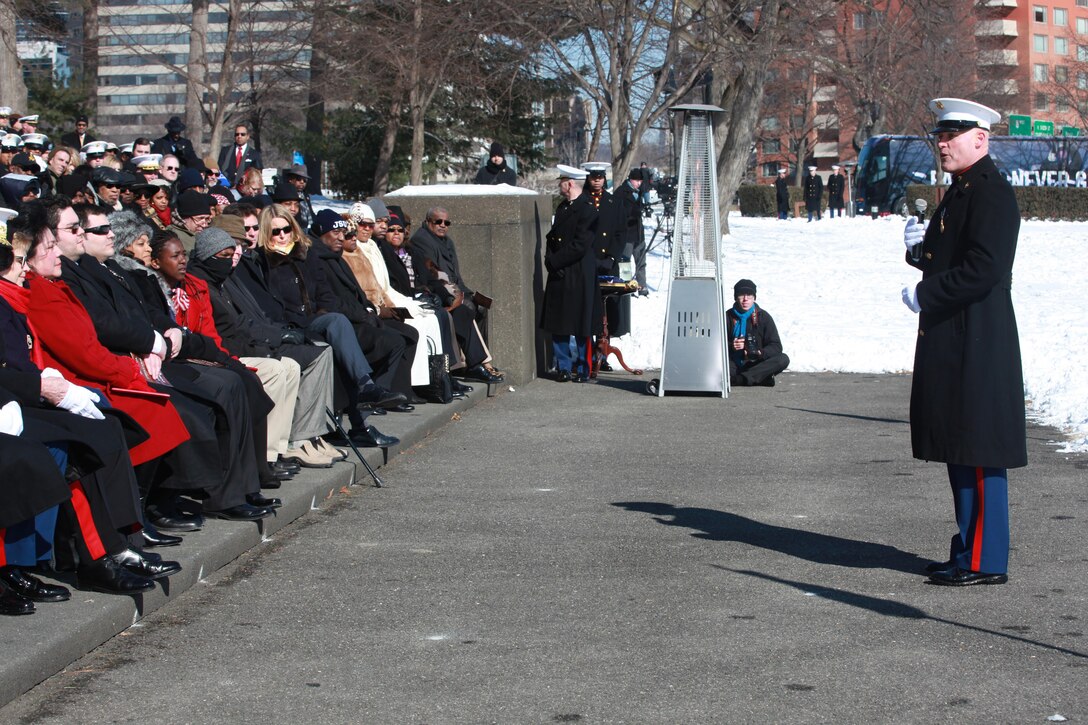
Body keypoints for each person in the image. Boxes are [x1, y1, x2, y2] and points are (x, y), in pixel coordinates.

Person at [901, 97, 1025, 587]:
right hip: (960, 338)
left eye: (952, 136)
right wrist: (919, 250)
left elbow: (983, 269)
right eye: (940, 136)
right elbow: (956, 256)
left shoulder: (989, 192)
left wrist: (925, 293)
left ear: (981, 138)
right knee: (962, 447)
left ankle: (984, 558)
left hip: (976, 340)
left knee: (977, 451)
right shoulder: (964, 190)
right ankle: (969, 549)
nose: (943, 144)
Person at [408, 206, 502, 383]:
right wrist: (456, 296)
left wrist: (468, 292)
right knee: (466, 307)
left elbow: (456, 275)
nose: (443, 225)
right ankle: (478, 364)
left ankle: (477, 361)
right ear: (428, 222)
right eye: (438, 221)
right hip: (438, 293)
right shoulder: (421, 240)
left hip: (453, 290)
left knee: (480, 306)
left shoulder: (447, 241)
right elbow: (435, 274)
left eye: (446, 222)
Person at [541, 165, 600, 382]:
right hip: (561, 272)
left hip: (579, 272)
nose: (559, 185)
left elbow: (580, 245)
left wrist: (555, 261)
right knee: (560, 321)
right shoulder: (564, 208)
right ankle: (563, 365)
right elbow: (553, 237)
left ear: (570, 183)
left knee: (581, 323)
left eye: (561, 181)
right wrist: (551, 259)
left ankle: (583, 368)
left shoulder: (588, 209)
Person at [726, 279, 789, 387]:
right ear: (736, 297)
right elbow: (714, 344)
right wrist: (732, 346)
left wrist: (759, 352)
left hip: (755, 363)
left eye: (749, 295)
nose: (745, 299)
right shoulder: (727, 316)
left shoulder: (763, 317)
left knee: (783, 359)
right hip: (733, 363)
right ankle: (760, 378)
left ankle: (740, 379)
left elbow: (776, 346)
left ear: (754, 298)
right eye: (741, 295)